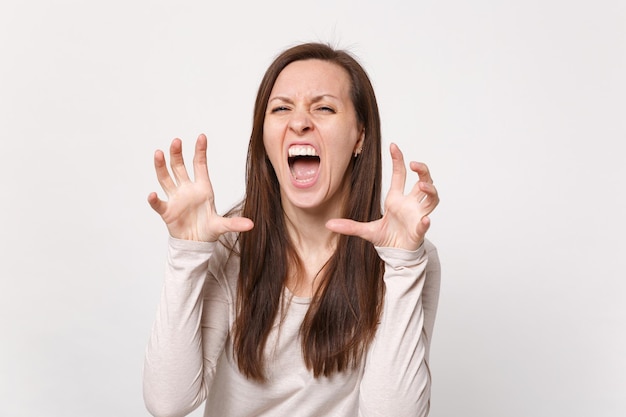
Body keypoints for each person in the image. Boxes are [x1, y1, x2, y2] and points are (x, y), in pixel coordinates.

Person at [143, 42, 441, 417]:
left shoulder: (409, 259)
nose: (299, 122)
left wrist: (402, 265)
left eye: (324, 108)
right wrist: (186, 253)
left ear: (360, 137)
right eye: (281, 108)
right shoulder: (231, 247)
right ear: (265, 138)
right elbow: (168, 403)